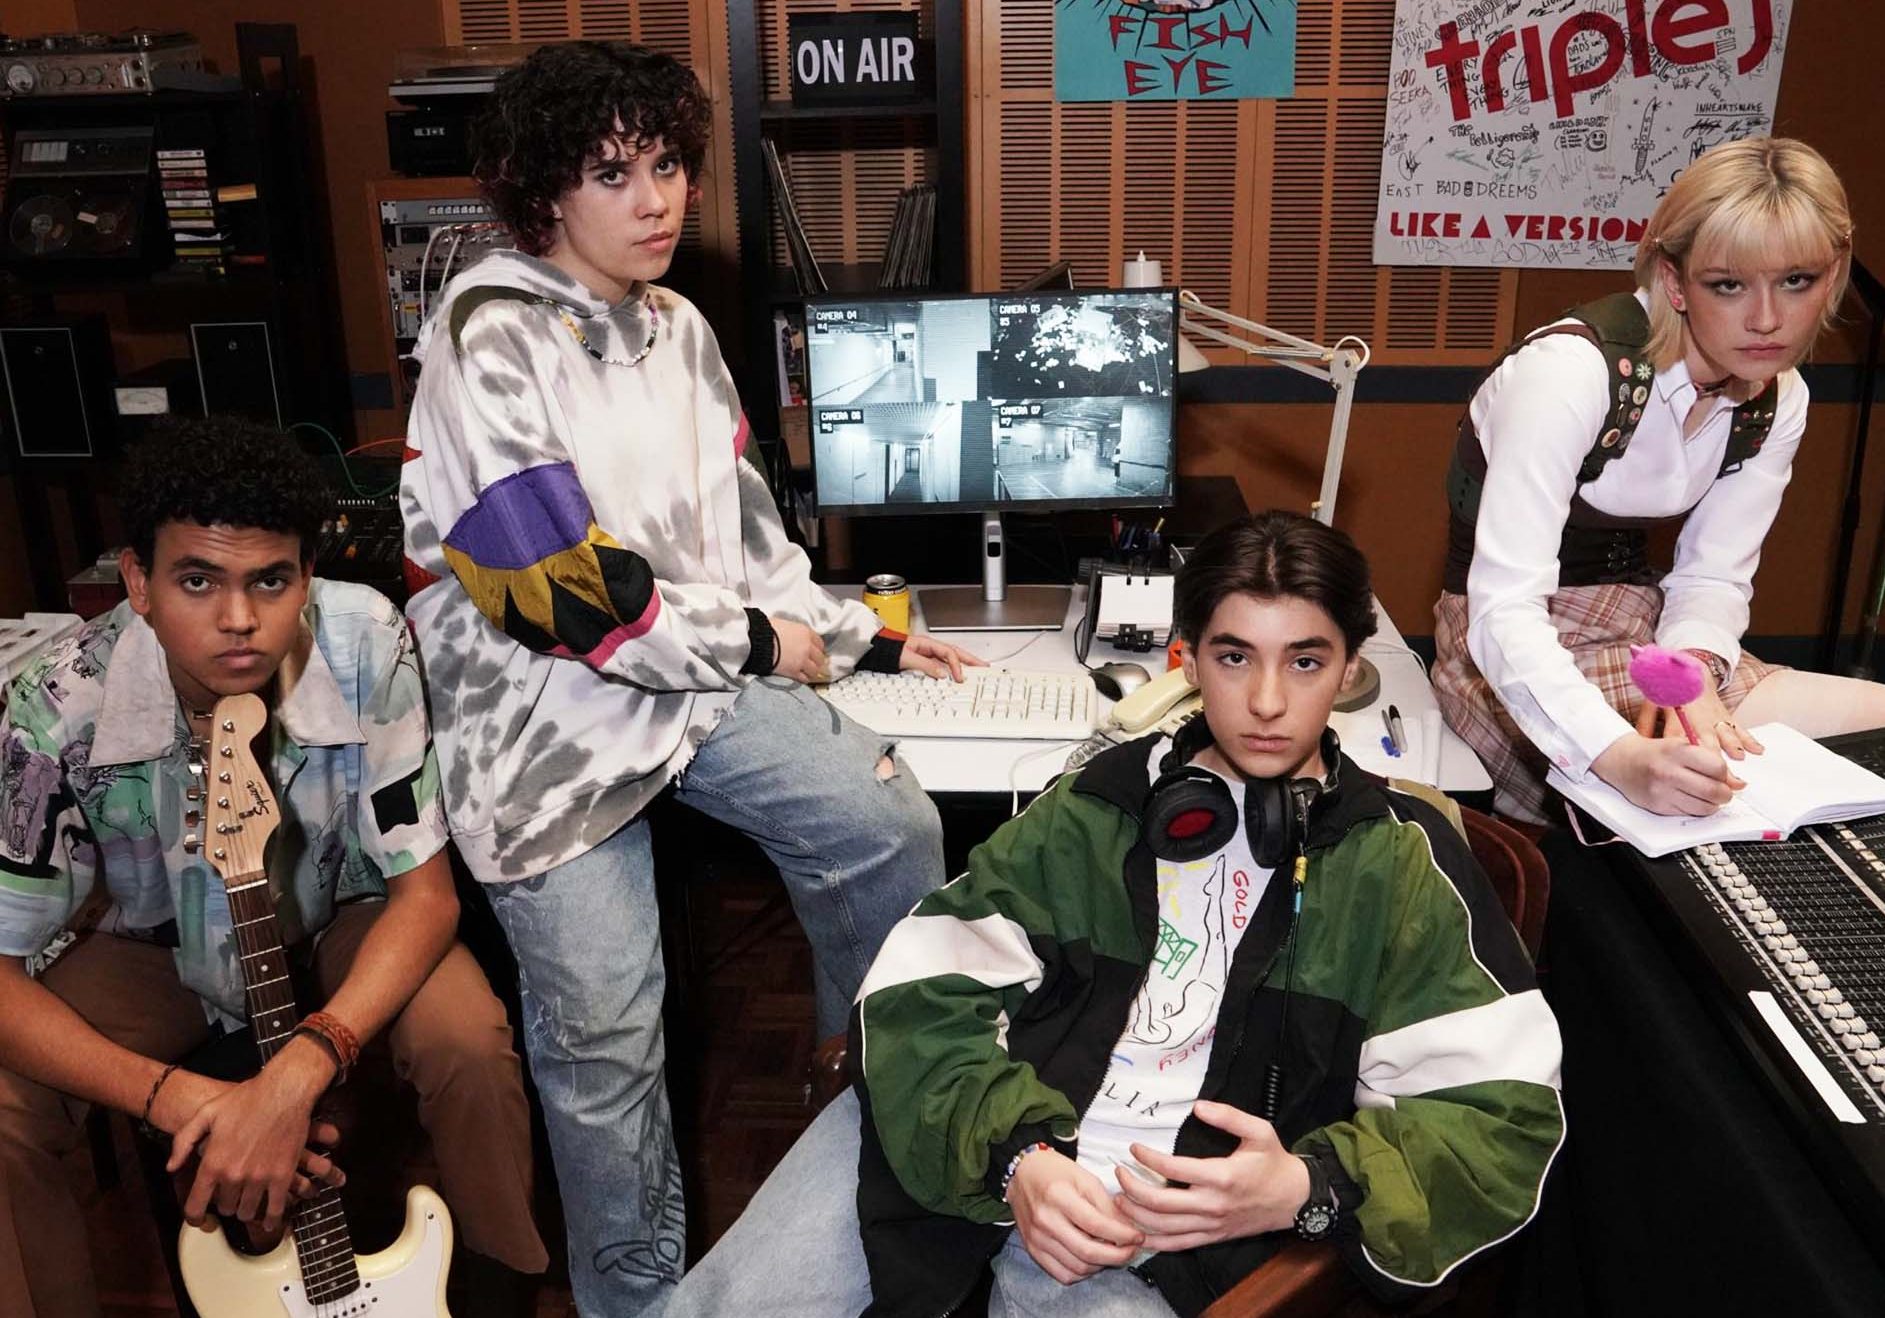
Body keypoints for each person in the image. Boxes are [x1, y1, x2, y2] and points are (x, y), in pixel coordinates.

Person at [399, 41, 977, 1314]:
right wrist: (764, 643)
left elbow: (746, 536)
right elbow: (558, 588)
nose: (656, 199)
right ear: (544, 191)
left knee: (886, 825)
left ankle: (860, 1097)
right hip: (544, 730)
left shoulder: (679, 325)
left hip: (687, 681)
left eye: (666, 165)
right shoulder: (486, 336)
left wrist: (865, 633)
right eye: (613, 174)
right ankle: (638, 1303)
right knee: (607, 1052)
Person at [663, 510, 1565, 1318]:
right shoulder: (1099, 806)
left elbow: (1499, 1123)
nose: (1265, 701)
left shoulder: (1399, 864)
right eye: (1232, 657)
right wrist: (1015, 1157)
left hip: (1167, 1242)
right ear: (1185, 660)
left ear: (1350, 670)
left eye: (1304, 661)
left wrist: (1304, 1186)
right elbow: (916, 989)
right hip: (976, 1137)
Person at [0, 418, 547, 1318]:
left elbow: (426, 898)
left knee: (468, 1042)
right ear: (137, 581)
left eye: (270, 580)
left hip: (340, 915)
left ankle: (493, 1294)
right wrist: (179, 1099)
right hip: (154, 950)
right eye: (196, 581)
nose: (239, 620)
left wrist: (296, 1074)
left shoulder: (368, 641)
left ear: (307, 573)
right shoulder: (54, 706)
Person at [1434, 136, 1885, 825]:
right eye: (1727, 284)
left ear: (1834, 275)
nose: (1767, 319)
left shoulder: (1778, 396)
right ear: (1674, 282)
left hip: (1646, 629)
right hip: (1503, 642)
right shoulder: (1571, 372)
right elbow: (1504, 612)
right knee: (1684, 793)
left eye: (1796, 280)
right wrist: (1615, 756)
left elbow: (1712, 578)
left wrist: (1692, 670)